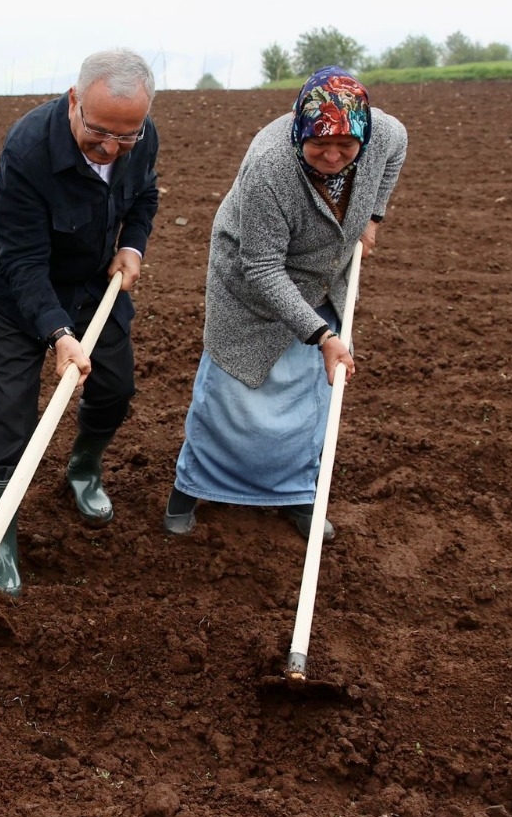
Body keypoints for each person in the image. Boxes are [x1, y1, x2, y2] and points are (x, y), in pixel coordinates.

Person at [162, 66, 408, 538]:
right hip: (251, 282)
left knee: (306, 396)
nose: (333, 156)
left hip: (323, 276)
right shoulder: (270, 169)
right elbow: (262, 269)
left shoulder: (381, 133)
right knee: (230, 396)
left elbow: (397, 146)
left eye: (346, 147)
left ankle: (297, 493)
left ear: (362, 136)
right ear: (300, 131)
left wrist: (373, 215)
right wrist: (323, 335)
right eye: (320, 145)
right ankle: (190, 487)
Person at [0, 49, 160, 596]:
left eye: (125, 138)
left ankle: (83, 469)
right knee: (13, 406)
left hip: (92, 283)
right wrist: (58, 335)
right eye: (99, 133)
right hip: (17, 289)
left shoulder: (138, 135)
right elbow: (22, 262)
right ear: (75, 101)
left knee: (115, 388)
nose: (111, 148)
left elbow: (145, 194)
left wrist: (132, 244)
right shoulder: (29, 149)